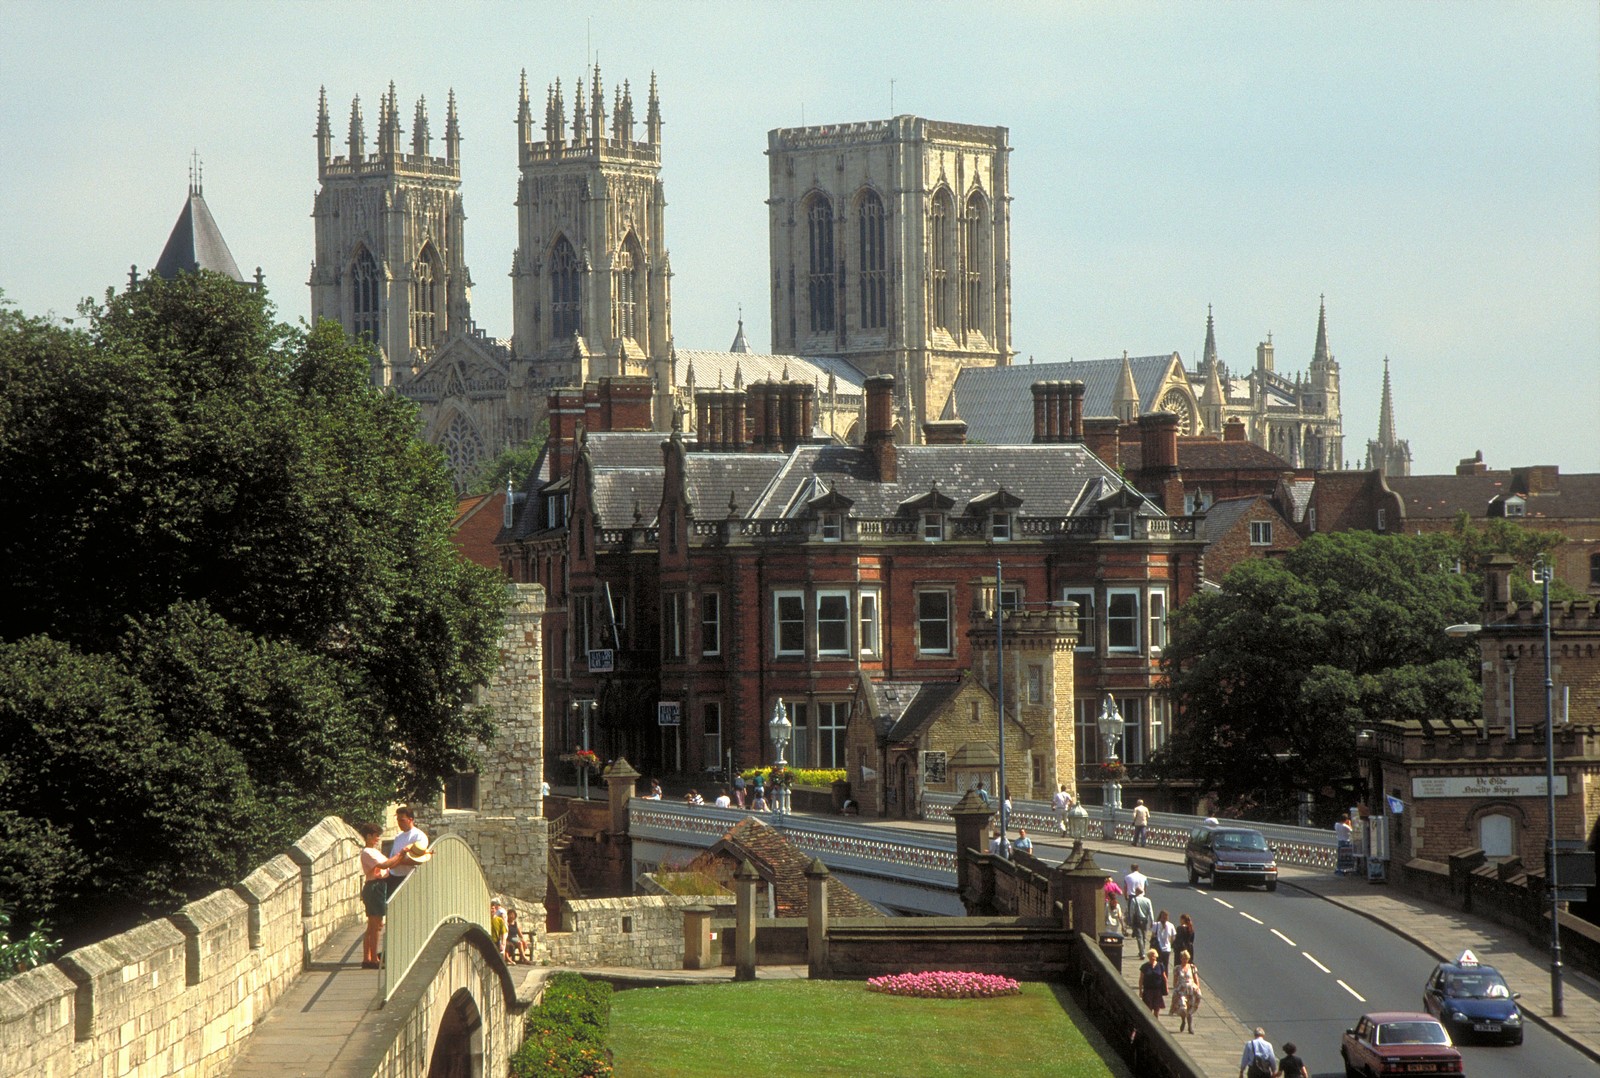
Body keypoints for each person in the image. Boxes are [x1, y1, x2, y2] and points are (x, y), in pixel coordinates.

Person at [357, 823, 392, 968]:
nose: (378, 838)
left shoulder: (374, 851)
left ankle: (368, 958)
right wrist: (401, 856)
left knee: (373, 925)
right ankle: (373, 960)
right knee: (376, 925)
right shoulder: (367, 852)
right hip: (375, 887)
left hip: (377, 886)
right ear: (368, 836)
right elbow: (384, 866)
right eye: (376, 835)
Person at [386, 807, 429, 896]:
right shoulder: (398, 836)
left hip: (409, 878)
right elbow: (392, 857)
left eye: (402, 820)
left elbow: (419, 860)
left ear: (410, 819)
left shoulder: (418, 836)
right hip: (393, 877)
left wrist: (398, 861)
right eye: (398, 820)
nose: (399, 823)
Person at [1168, 949, 1202, 1032]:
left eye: (1186, 958)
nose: (1184, 960)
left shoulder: (1192, 967)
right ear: (1181, 959)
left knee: (1190, 1008)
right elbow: (1175, 981)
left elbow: (1196, 979)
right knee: (1183, 1007)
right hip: (1181, 990)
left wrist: (1197, 988)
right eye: (1183, 958)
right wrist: (1175, 990)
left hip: (1191, 990)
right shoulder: (1177, 968)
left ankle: (1190, 1027)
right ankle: (1183, 1020)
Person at [1138, 948, 1168, 1018]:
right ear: (1148, 957)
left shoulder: (1160, 966)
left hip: (1157, 990)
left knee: (1156, 1009)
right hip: (1148, 990)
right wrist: (1140, 990)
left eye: (1154, 956)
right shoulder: (1144, 966)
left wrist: (1166, 988)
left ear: (1156, 956)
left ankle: (1156, 1022)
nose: (1153, 957)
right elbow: (1141, 979)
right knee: (1148, 1009)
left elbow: (1164, 978)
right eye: (1151, 956)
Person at [1127, 885, 1155, 955]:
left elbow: (1131, 911)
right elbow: (1150, 911)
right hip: (1145, 920)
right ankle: (1143, 950)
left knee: (1139, 936)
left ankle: (1142, 952)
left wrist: (1131, 920)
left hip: (1137, 920)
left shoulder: (1134, 900)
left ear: (1136, 892)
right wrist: (1152, 921)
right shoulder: (1148, 900)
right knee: (1144, 936)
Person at [1151, 909, 1177, 976]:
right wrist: (1170, 944)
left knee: (1159, 965)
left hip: (1160, 948)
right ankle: (1164, 980)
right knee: (1165, 966)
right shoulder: (1170, 925)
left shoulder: (1156, 924)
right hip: (1164, 949)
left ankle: (1161, 979)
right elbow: (1173, 938)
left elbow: (1153, 936)